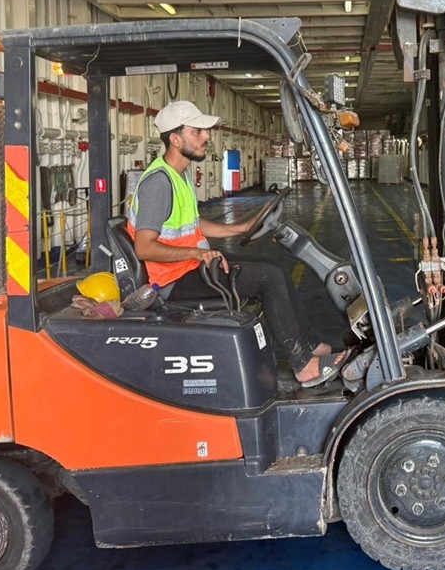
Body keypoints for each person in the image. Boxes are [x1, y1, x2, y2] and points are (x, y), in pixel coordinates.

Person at [127, 100, 348, 387]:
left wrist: (241, 227)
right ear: (176, 138)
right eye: (198, 132)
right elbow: (144, 246)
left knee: (275, 268)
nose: (207, 137)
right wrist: (196, 252)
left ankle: (311, 344)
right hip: (173, 280)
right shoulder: (158, 182)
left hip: (190, 268)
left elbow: (195, 223)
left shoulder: (178, 176)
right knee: (269, 278)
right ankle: (304, 365)